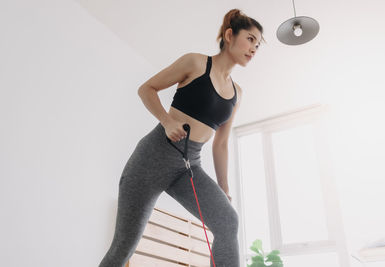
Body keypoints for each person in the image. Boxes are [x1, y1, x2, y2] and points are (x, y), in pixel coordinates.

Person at [99, 8, 264, 267]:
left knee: (228, 221)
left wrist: (224, 186)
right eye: (251, 39)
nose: (255, 48)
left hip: (189, 165)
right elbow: (147, 89)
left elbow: (221, 144)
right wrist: (166, 121)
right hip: (152, 158)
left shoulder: (237, 93)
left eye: (258, 44)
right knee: (123, 248)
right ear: (230, 35)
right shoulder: (196, 63)